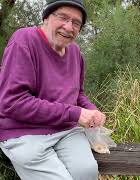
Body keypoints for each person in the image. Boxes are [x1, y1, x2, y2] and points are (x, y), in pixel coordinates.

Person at [0, 0, 106, 179]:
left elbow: (77, 94)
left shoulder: (75, 53)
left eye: (76, 23)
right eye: (63, 17)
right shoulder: (23, 40)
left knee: (87, 172)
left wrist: (90, 110)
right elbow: (12, 102)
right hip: (23, 132)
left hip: (65, 131)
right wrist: (74, 114)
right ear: (46, 17)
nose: (69, 27)